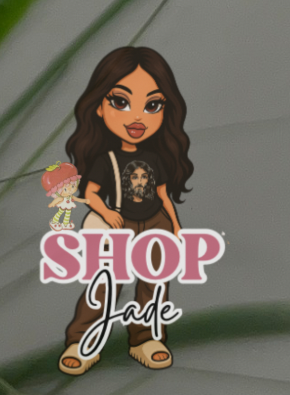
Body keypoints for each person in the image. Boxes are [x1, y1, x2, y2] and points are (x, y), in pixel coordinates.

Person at [57, 46, 193, 376]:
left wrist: (175, 226)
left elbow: (162, 193)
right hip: (119, 223)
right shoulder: (106, 160)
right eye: (121, 101)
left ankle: (146, 338)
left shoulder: (157, 158)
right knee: (105, 283)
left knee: (155, 282)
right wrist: (106, 213)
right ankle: (82, 340)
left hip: (156, 222)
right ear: (99, 106)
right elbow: (90, 193)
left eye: (153, 105)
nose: (137, 117)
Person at [41, 162, 85, 230]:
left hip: (69, 204)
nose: (70, 190)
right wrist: (52, 203)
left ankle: (65, 223)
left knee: (68, 213)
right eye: (65, 189)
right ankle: (54, 221)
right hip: (63, 204)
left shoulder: (69, 196)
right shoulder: (61, 197)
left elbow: (75, 198)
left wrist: (84, 200)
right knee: (60, 212)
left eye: (72, 186)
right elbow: (58, 199)